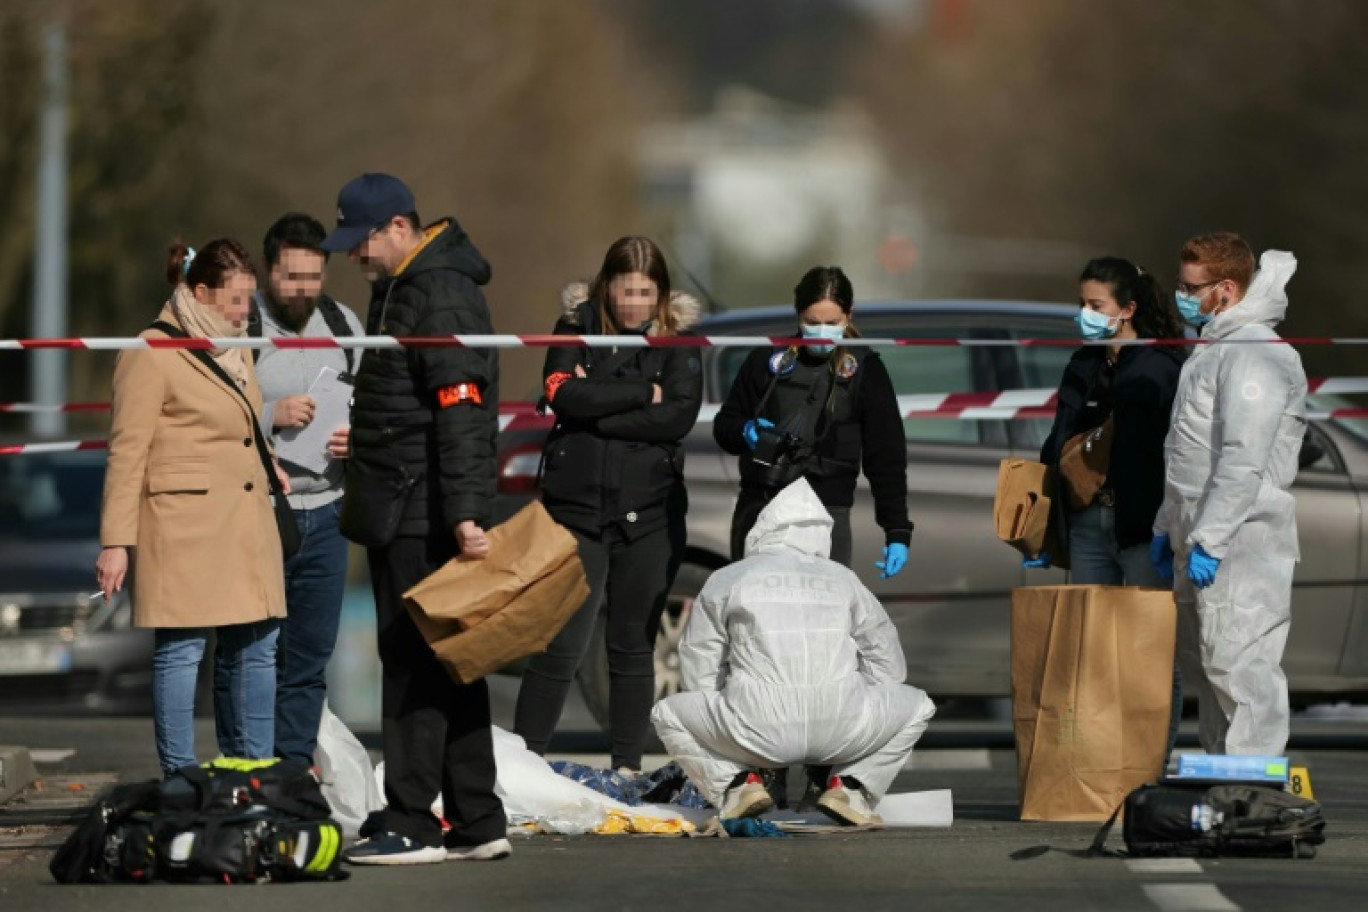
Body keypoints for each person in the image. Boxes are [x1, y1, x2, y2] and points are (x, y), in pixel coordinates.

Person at [320, 173, 509, 864]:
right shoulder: (408, 284)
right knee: (452, 660)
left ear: (398, 227)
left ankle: (413, 820)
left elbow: (462, 405)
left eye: (360, 241)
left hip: (422, 508)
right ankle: (478, 818)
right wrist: (364, 436)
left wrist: (464, 512)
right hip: (407, 493)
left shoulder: (437, 290)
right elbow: (412, 400)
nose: (353, 257)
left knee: (413, 662)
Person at [96, 239, 287, 776]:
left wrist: (272, 464)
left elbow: (243, 425)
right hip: (182, 525)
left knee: (259, 644)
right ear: (200, 292)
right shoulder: (149, 350)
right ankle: (179, 777)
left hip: (247, 522)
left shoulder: (239, 344)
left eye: (249, 299)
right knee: (182, 649)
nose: (244, 311)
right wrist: (116, 541)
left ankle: (254, 771)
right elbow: (127, 449)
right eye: (234, 299)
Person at [513, 237, 703, 774]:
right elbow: (562, 396)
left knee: (630, 644)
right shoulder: (573, 330)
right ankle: (524, 764)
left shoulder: (680, 344)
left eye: (646, 291)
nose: (635, 302)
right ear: (606, 287)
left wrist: (590, 407)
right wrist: (644, 393)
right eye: (625, 290)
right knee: (559, 644)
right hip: (575, 511)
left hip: (650, 513)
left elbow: (677, 420)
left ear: (661, 293)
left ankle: (627, 767)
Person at [651, 478, 936, 826]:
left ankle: (738, 785)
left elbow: (699, 662)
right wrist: (861, 695)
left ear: (762, 531)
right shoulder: (843, 578)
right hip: (842, 728)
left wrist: (726, 708)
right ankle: (851, 787)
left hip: (755, 730)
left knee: (667, 713)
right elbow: (887, 660)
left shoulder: (729, 577)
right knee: (919, 704)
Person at [1151, 233, 1307, 756]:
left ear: (1225, 288)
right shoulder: (1217, 350)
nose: (1182, 295)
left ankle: (1252, 792)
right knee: (1211, 665)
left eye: (1191, 287)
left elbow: (1244, 457)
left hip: (1241, 539)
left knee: (1241, 665)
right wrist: (1166, 524)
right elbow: (1191, 453)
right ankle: (1224, 786)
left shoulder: (1255, 354)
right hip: (1202, 535)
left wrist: (1212, 539)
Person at [1026, 257, 1186, 753]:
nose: (1084, 314)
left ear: (1128, 309)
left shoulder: (1163, 367)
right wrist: (1043, 523)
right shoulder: (1084, 363)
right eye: (1082, 304)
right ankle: (1099, 761)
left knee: (1149, 651)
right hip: (1087, 524)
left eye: (1095, 305)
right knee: (1090, 650)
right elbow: (1058, 442)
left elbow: (1178, 452)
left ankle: (1148, 761)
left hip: (1142, 527)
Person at [250, 213, 364, 765]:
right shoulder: (241, 325)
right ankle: (248, 766)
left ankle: (292, 775)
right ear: (269, 270)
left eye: (312, 277)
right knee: (252, 653)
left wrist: (356, 438)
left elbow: (372, 402)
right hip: (261, 513)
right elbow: (209, 410)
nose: (302, 289)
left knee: (309, 658)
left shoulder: (345, 323)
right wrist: (273, 413)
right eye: (291, 277)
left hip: (329, 512)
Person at [714, 266, 912, 574]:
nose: (822, 332)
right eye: (812, 323)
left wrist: (896, 529)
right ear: (798, 316)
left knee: (824, 621)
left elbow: (886, 456)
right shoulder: (765, 363)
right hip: (763, 509)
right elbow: (725, 426)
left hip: (828, 516)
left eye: (832, 323)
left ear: (849, 316)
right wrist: (746, 431)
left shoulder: (866, 372)